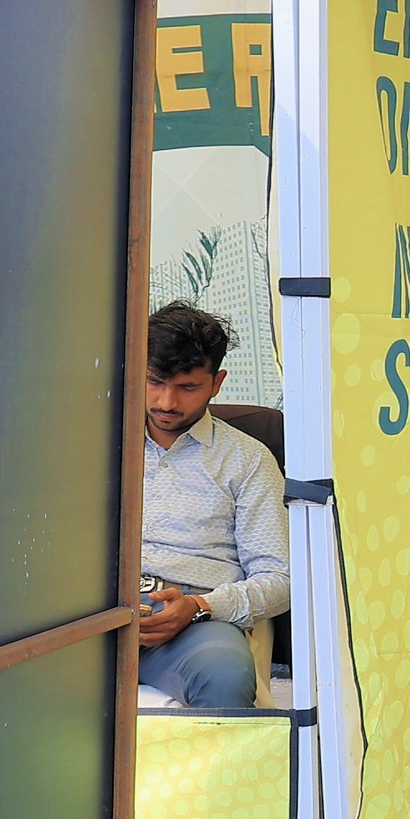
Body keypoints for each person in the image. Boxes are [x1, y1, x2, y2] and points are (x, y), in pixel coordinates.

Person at [138, 300, 288, 709]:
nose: (166, 402)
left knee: (225, 676)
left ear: (217, 382)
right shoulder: (94, 443)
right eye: (154, 382)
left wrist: (200, 607)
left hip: (194, 623)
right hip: (96, 615)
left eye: (187, 387)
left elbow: (279, 579)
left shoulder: (247, 460)